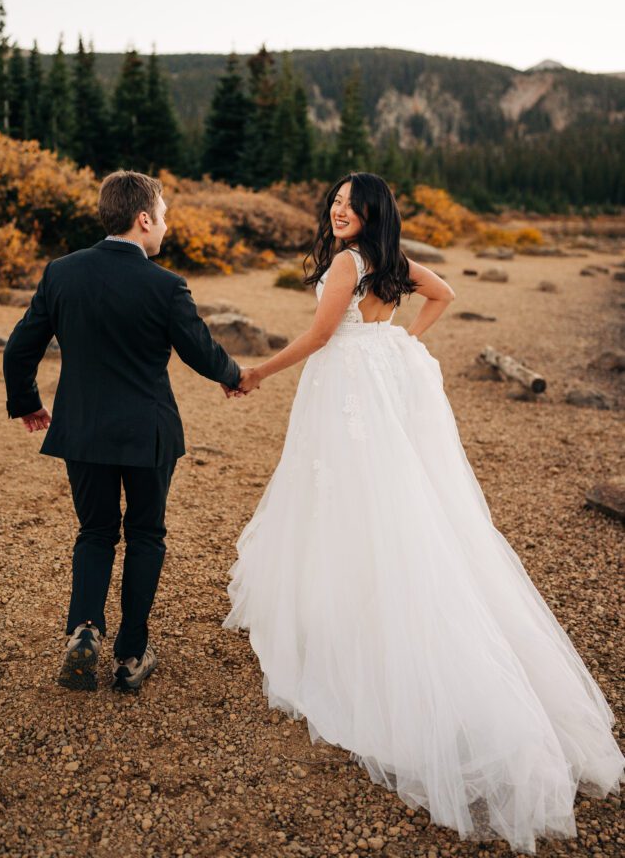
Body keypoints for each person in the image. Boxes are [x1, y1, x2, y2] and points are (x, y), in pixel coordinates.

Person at [222, 171, 625, 852]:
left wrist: (259, 372)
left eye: (352, 204)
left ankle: (352, 618)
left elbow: (321, 336)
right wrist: (400, 339)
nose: (339, 210)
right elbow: (442, 295)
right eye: (335, 202)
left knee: (344, 496)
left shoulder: (351, 262)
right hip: (367, 383)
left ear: (372, 211)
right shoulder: (389, 260)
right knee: (376, 496)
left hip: (342, 383)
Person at [3, 170, 245, 692]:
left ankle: (85, 627)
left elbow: (19, 348)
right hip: (148, 432)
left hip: (82, 429)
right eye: (164, 215)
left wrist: (27, 403)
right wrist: (235, 377)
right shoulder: (165, 285)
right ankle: (132, 653)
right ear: (143, 219)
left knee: (94, 532)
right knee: (145, 534)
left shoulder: (62, 273)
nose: (167, 225)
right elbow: (201, 351)